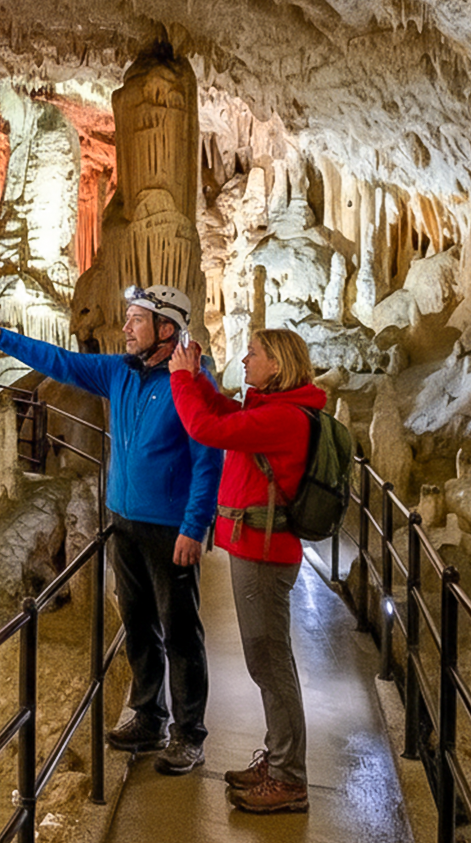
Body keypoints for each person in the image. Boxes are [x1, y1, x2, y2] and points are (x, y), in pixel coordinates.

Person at [0, 285, 223, 776]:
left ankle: (189, 735)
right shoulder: (119, 373)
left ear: (166, 330)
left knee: (181, 631)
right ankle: (149, 714)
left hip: (170, 529)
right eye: (126, 318)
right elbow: (59, 362)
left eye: (136, 320)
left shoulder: (192, 383)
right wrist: (0, 336)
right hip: (123, 520)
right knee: (139, 624)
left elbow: (208, 461)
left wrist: (195, 526)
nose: (125, 328)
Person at [167, 327, 323, 814]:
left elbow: (206, 430)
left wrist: (179, 382)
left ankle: (289, 778)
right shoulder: (269, 409)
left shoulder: (284, 418)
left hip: (264, 556)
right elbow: (226, 414)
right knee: (268, 663)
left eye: (253, 354)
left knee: (271, 666)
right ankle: (278, 760)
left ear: (276, 364)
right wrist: (199, 380)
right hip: (255, 550)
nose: (245, 359)